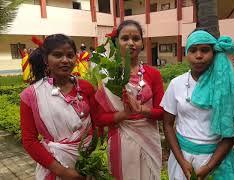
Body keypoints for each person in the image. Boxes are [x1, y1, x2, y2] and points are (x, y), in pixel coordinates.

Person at [161, 29, 234, 180]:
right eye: (193, 50)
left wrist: (210, 166)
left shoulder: (226, 86)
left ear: (214, 52)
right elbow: (167, 124)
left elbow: (233, 130)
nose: (198, 55)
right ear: (186, 54)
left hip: (216, 159)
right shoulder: (176, 84)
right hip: (182, 159)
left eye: (205, 50)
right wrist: (182, 162)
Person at [93, 20, 164, 180]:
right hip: (121, 140)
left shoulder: (153, 74)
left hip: (149, 140)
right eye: (125, 38)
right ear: (116, 43)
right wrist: (124, 114)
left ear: (142, 43)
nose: (131, 43)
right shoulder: (106, 76)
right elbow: (99, 118)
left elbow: (162, 113)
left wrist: (142, 110)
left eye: (136, 38)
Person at [20, 34, 97, 179]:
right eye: (57, 55)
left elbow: (97, 124)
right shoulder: (31, 95)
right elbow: (29, 140)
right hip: (54, 168)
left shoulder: (86, 88)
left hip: (88, 165)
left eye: (70, 55)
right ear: (45, 59)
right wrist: (62, 171)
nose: (65, 60)